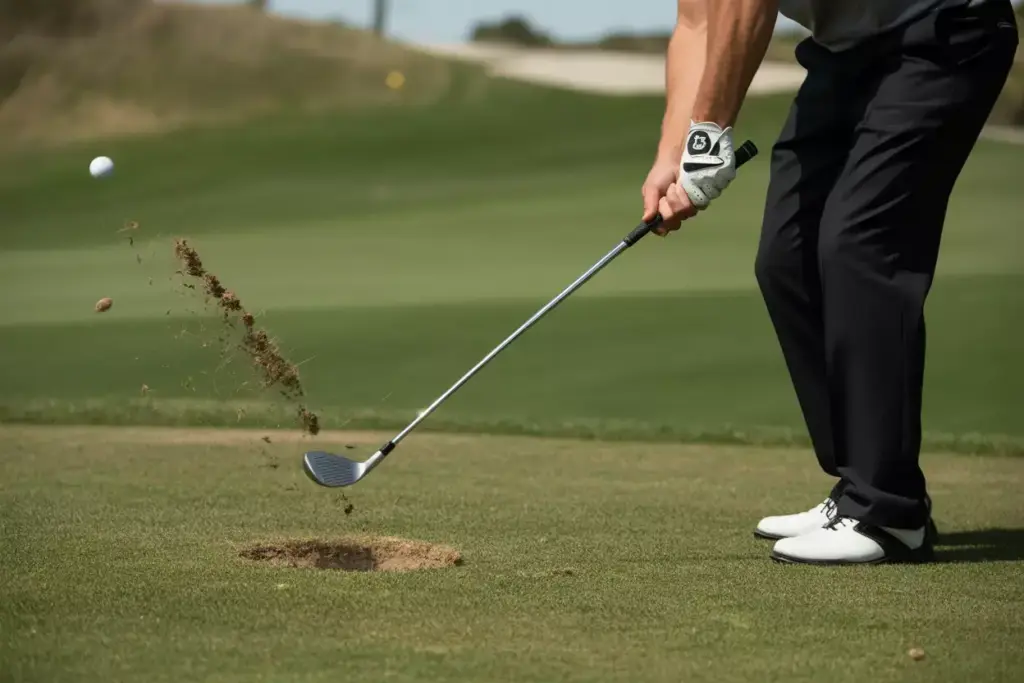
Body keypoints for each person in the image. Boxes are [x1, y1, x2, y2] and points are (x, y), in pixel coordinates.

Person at [642, 0, 1018, 565]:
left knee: (859, 246)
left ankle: (887, 509)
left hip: (942, 31)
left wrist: (709, 133)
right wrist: (672, 154)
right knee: (786, 258)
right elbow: (697, 21)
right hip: (848, 54)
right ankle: (860, 485)